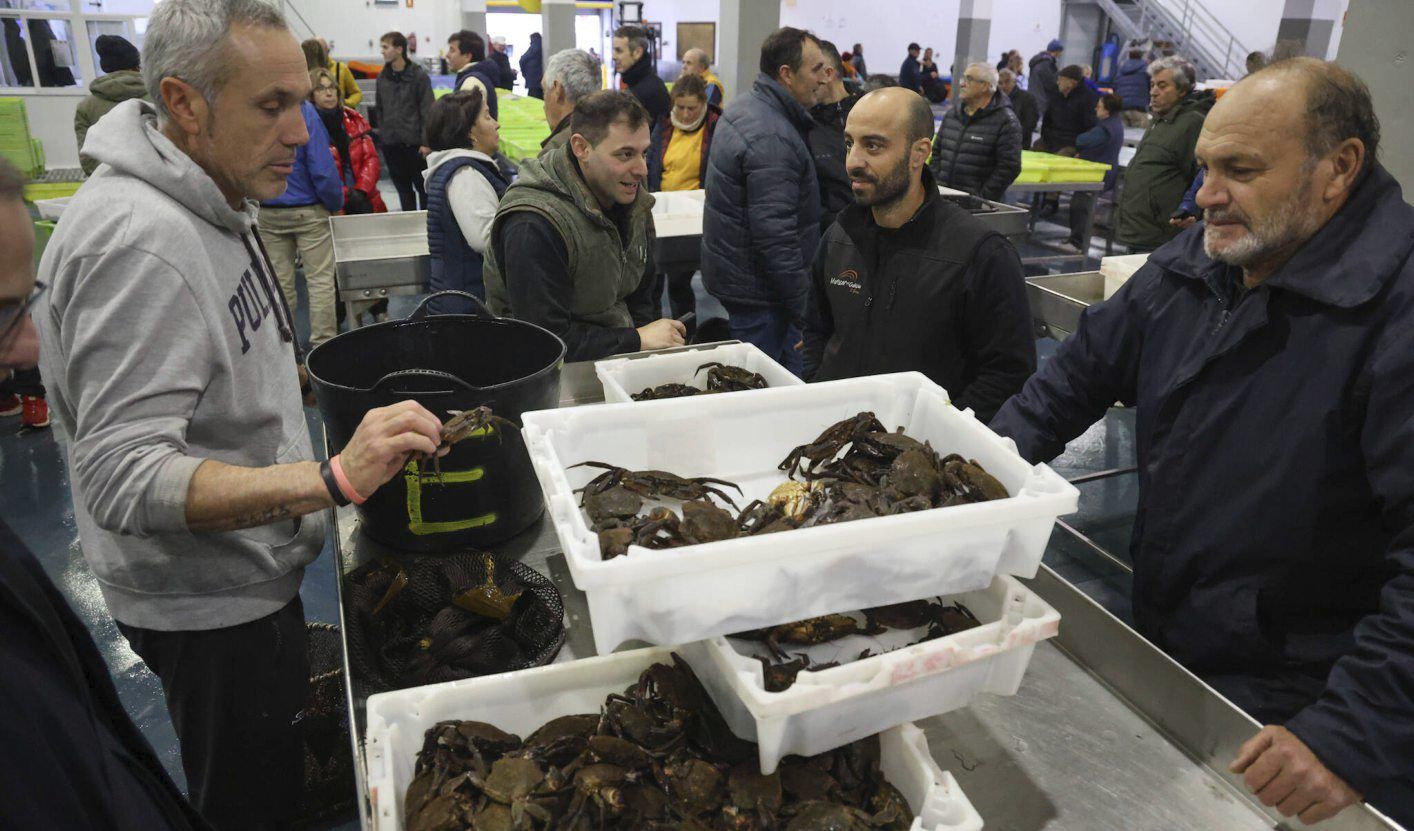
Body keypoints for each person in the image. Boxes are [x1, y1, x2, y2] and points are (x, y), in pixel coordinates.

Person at [33, 0, 447, 826]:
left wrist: (280, 379)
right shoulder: (142, 243)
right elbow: (122, 475)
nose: (301, 134)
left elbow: (218, 338)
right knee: (250, 802)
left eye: (302, 100)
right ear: (184, 103)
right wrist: (330, 476)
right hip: (209, 604)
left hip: (250, 570)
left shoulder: (209, 187)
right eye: (271, 106)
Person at [991, 58, 1414, 827]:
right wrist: (970, 488)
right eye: (1204, 168)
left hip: (1308, 703)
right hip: (1180, 642)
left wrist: (1353, 732)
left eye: (1240, 170)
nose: (1205, 196)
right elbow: (1070, 381)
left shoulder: (1395, 314)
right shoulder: (1201, 258)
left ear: (1338, 168)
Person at [804, 88, 1032, 422]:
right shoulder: (839, 237)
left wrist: (935, 432)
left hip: (920, 453)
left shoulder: (980, 253)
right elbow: (815, 329)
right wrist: (817, 386)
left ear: (918, 153)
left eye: (874, 145)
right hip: (834, 433)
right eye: (850, 143)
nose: (853, 161)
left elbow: (1007, 373)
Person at [483, 91, 684, 362]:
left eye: (643, 153)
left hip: (618, 363)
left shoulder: (629, 195)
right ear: (581, 148)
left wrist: (641, 355)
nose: (642, 169)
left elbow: (642, 298)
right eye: (625, 154)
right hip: (553, 381)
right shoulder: (534, 224)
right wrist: (636, 339)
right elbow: (545, 342)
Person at [701, 27, 830, 376]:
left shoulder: (749, 108)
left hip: (745, 282)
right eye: (816, 69)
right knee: (765, 387)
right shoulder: (772, 135)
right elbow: (776, 237)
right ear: (786, 75)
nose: (824, 78)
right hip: (762, 294)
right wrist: (808, 312)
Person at [257, 97, 344, 348]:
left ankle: (286, 350)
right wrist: (335, 203)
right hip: (309, 210)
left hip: (268, 209)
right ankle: (323, 347)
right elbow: (322, 167)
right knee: (320, 281)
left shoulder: (254, 109)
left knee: (279, 284)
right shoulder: (303, 111)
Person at [1116, 55, 1214, 252]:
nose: (1153, 92)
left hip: (1163, 235)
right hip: (1141, 229)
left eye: (1162, 86)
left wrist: (1190, 213)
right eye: (1152, 85)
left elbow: (1204, 175)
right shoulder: (1161, 120)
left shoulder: (1192, 123)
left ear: (1182, 89)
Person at [644, 74, 719, 324]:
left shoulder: (715, 126)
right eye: (680, 107)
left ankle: (686, 333)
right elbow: (653, 161)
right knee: (650, 282)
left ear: (703, 104)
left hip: (691, 218)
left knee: (679, 283)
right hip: (659, 210)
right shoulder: (664, 124)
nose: (685, 114)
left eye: (692, 108)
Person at [424, 89, 507, 312]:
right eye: (488, 117)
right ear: (471, 132)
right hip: (467, 308)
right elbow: (486, 238)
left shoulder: (460, 169)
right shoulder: (466, 175)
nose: (496, 124)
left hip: (461, 304)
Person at [928, 62, 1022, 201]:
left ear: (985, 85)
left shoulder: (1006, 121)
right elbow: (936, 153)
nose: (962, 84)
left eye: (969, 79)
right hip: (943, 199)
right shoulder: (952, 115)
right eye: (963, 79)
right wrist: (936, 184)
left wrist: (981, 197)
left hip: (975, 206)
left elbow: (1009, 167)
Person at [311, 67, 387, 215]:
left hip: (364, 198)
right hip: (331, 204)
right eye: (321, 88)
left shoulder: (354, 120)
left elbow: (370, 158)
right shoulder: (308, 126)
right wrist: (344, 194)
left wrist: (361, 190)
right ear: (311, 94)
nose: (329, 93)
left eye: (332, 87)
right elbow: (317, 171)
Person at [376, 31, 434, 210]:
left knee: (423, 188)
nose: (382, 51)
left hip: (415, 145)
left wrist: (426, 141)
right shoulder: (382, 78)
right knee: (403, 190)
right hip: (392, 144)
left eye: (386, 47)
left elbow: (428, 110)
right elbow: (380, 110)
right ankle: (408, 223)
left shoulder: (418, 76)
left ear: (399, 49)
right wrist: (383, 137)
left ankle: (426, 227)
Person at [75, 35, 147, 176]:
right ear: (137, 66)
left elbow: (87, 158)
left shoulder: (86, 107)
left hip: (107, 185)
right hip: (156, 185)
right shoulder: (159, 97)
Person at [808, 40, 860, 231]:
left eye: (810, 72)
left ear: (828, 74)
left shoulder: (870, 112)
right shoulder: (803, 123)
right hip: (827, 236)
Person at [1062, 92, 1124, 253]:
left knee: (1080, 205)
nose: (1096, 108)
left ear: (1107, 110)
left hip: (1096, 174)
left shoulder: (1104, 128)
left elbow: (1083, 140)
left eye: (1099, 106)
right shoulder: (1116, 124)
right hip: (1104, 171)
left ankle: (1077, 242)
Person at [539, 48, 600, 157]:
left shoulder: (554, 155)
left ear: (558, 90)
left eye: (545, 91)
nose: (544, 105)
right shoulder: (613, 133)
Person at [613, 25, 670, 123]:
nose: (613, 56)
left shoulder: (651, 91)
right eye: (614, 50)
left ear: (637, 53)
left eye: (619, 51)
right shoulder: (634, 85)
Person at [1037, 64, 1097, 153]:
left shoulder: (1088, 99)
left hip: (1072, 143)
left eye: (1061, 80)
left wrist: (1078, 147)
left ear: (1072, 82)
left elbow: (1090, 127)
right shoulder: (1056, 95)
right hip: (1051, 139)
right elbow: (1047, 120)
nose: (1058, 82)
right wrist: (1044, 137)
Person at [447, 30, 499, 119]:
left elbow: (465, 124)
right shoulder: (476, 76)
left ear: (467, 56)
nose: (447, 55)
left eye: (452, 50)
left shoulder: (471, 83)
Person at [301, 37, 360, 108]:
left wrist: (344, 103)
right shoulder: (304, 73)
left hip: (339, 111)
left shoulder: (340, 68)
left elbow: (356, 93)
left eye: (320, 52)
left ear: (327, 51)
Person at [999, 67, 1038, 150]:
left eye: (1007, 81)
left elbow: (1030, 124)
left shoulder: (1027, 98)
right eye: (1000, 83)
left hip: (1019, 144)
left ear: (1014, 82)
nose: (1004, 86)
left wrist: (1012, 138)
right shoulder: (996, 99)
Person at [1113, 48, 1151, 127]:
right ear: (1141, 56)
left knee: (1123, 137)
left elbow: (1115, 87)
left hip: (1122, 107)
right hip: (1139, 107)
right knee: (1139, 136)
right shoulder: (1146, 69)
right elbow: (1151, 86)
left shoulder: (1120, 70)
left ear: (1129, 56)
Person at [1029, 38, 1064, 118]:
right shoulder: (1046, 64)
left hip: (1035, 99)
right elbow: (1051, 84)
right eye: (1061, 51)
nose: (1061, 54)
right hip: (1041, 102)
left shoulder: (1039, 62)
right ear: (1057, 51)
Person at [521, 32, 544, 99]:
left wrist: (524, 73)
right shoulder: (542, 46)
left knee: (533, 98)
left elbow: (522, 60)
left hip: (533, 79)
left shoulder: (535, 46)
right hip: (539, 79)